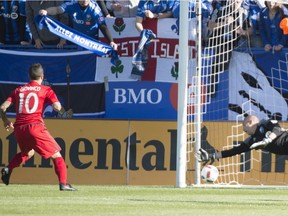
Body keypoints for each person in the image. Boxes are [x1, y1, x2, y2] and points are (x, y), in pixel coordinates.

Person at [0, 63, 76, 191]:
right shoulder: (46, 89)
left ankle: (8, 168)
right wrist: (57, 106)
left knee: (28, 153)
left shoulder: (18, 90)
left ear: (29, 76)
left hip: (19, 129)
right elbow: (57, 107)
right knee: (57, 155)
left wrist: (5, 120)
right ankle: (63, 183)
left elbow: (2, 107)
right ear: (42, 76)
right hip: (35, 127)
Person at [196, 115, 288, 164]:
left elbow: (277, 129)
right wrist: (211, 156)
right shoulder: (251, 141)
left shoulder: (265, 123)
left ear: (249, 122)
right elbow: (233, 151)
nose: (243, 129)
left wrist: (267, 140)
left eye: (243, 125)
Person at [38, 0, 118, 51]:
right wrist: (46, 11)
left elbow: (102, 26)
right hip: (77, 40)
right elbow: (57, 10)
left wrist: (111, 41)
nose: (84, 1)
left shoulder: (94, 9)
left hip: (92, 41)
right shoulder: (71, 4)